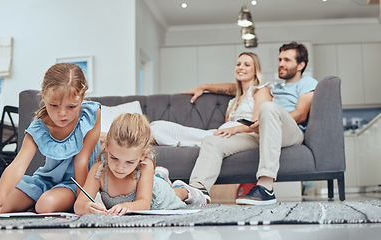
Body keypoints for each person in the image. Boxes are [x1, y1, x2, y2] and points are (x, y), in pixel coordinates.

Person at [182, 41, 318, 205]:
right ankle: (198, 190)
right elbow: (235, 87)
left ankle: (266, 187)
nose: (281, 64)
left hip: (290, 133)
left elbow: (301, 114)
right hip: (263, 131)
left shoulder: (307, 83)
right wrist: (204, 86)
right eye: (280, 59)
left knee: (268, 108)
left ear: (300, 65)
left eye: (287, 60)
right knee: (212, 141)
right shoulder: (274, 88)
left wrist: (263, 120)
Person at [0, 63, 102, 220]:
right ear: (43, 96)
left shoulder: (92, 114)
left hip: (74, 184)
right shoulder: (39, 127)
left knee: (45, 205)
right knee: (0, 207)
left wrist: (82, 203)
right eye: (54, 105)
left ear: (82, 98)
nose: (62, 114)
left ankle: (36, 208)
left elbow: (81, 161)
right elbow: (18, 165)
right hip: (44, 181)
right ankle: (31, 206)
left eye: (71, 106)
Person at [150, 52, 273, 204]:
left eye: (247, 65)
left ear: (256, 70)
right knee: (159, 127)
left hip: (246, 135)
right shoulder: (238, 94)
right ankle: (156, 180)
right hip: (226, 134)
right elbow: (224, 87)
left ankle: (194, 189)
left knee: (162, 130)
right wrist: (203, 87)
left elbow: (258, 123)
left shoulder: (261, 90)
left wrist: (234, 129)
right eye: (238, 64)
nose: (241, 67)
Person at [74, 113, 207, 216]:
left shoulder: (145, 165)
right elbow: (79, 204)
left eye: (129, 162)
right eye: (114, 158)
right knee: (154, 182)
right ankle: (159, 176)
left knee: (174, 195)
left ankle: (184, 189)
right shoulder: (99, 170)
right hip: (147, 184)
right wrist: (87, 207)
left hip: (158, 199)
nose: (120, 167)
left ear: (142, 156)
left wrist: (128, 207)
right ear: (107, 147)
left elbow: (144, 204)